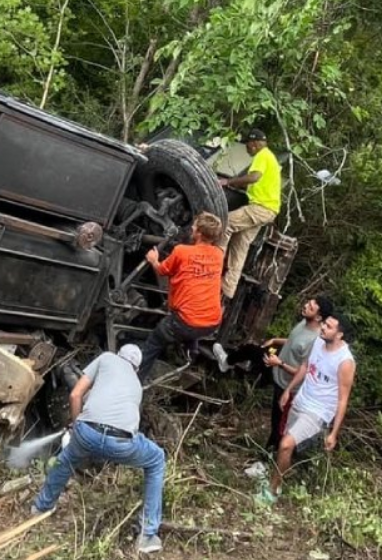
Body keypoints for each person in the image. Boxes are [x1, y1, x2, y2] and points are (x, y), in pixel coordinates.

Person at [31, 345, 166, 554]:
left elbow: (75, 395)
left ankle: (41, 508)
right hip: (121, 443)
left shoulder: (106, 358)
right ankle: (147, 535)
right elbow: (129, 424)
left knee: (65, 459)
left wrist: (76, 425)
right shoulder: (137, 385)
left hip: (87, 433)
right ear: (136, 369)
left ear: (119, 355)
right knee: (156, 459)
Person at [212, 296, 333, 450]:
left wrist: (280, 364)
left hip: (286, 384)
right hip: (274, 365)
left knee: (277, 424)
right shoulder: (305, 322)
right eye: (307, 303)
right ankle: (226, 362)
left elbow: (304, 371)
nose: (305, 306)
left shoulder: (314, 342)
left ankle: (267, 458)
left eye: (310, 307)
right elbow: (293, 341)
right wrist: (276, 340)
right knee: (251, 350)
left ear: (318, 317)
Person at [259, 312, 356, 503]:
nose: (323, 328)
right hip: (301, 399)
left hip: (318, 411)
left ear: (339, 335)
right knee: (286, 446)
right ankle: (280, 478)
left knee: (286, 444)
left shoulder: (345, 362)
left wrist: (333, 433)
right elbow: (305, 366)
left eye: (329, 327)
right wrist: (288, 390)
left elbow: (343, 399)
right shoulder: (318, 342)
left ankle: (272, 491)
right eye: (324, 324)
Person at [138, 212, 224, 380]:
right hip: (212, 322)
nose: (191, 227)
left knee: (154, 343)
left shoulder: (181, 251)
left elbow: (163, 271)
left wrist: (153, 259)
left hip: (185, 323)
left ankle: (135, 381)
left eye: (194, 226)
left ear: (198, 232)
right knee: (192, 319)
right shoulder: (219, 255)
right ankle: (192, 350)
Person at [218, 129, 281, 300]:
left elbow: (254, 177)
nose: (247, 149)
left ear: (253, 144)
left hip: (261, 208)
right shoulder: (271, 159)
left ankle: (213, 266)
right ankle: (228, 290)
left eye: (247, 145)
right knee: (241, 245)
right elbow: (255, 184)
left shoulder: (262, 155)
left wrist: (228, 182)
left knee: (226, 223)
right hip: (269, 210)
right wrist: (237, 186)